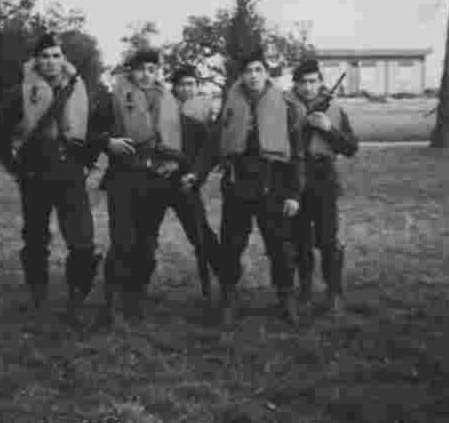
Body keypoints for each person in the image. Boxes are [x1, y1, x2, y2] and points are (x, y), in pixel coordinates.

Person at [0, 32, 112, 320]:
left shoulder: (81, 90)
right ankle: (38, 294)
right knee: (35, 238)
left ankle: (76, 298)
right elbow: (0, 138)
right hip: (34, 174)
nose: (50, 61)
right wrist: (15, 169)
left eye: (56, 56)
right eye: (44, 56)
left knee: (82, 242)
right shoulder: (19, 92)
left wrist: (89, 163)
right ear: (36, 60)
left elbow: (95, 132)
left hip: (70, 174)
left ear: (63, 59)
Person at [101, 49, 222, 324]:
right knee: (127, 240)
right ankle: (118, 298)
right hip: (130, 179)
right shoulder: (115, 101)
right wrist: (107, 142)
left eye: (153, 69)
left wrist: (192, 172)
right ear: (130, 71)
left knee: (178, 237)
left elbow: (206, 149)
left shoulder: (178, 110)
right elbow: (92, 132)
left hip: (167, 182)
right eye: (141, 69)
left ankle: (223, 287)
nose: (147, 74)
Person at [187, 47, 305, 328]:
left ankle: (286, 297)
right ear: (240, 75)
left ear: (266, 73)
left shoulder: (286, 106)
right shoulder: (230, 104)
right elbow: (213, 144)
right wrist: (197, 175)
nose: (253, 76)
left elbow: (297, 154)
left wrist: (294, 193)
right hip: (237, 183)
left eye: (258, 70)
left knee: (280, 246)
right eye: (248, 71)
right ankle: (229, 296)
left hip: (272, 184)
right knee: (232, 244)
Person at [286, 56, 358, 313]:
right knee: (299, 239)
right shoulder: (285, 108)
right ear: (294, 84)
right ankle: (304, 288)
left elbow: (350, 148)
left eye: (312, 81)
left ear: (320, 82)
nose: (307, 87)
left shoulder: (335, 110)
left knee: (328, 239)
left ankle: (334, 291)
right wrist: (303, 125)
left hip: (324, 176)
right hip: (294, 176)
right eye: (302, 82)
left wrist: (328, 128)